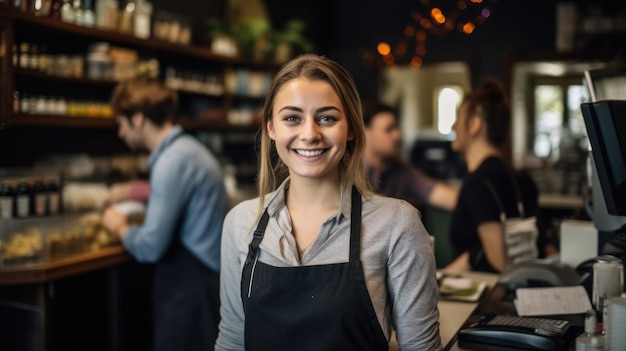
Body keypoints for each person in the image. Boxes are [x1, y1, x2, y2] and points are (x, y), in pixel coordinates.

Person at [215, 54, 441, 350]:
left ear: (350, 129)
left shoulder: (397, 224)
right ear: (271, 127)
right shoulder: (241, 222)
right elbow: (232, 340)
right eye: (292, 118)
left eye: (327, 118)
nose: (310, 134)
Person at [101, 77, 230, 351]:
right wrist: (132, 189)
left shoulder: (172, 160)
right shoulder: (186, 149)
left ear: (137, 119)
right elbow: (175, 192)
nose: (120, 133)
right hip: (203, 279)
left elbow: (149, 247)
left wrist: (119, 225)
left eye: (121, 123)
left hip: (191, 288)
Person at [444, 78, 549, 273]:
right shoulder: (522, 179)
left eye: (458, 118)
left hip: (488, 296)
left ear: (475, 124)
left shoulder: (477, 182)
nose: (453, 126)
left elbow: (498, 260)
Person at [363, 100, 458, 212]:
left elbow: (439, 194)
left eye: (396, 128)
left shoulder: (401, 171)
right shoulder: (348, 173)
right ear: (365, 133)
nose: (398, 135)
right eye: (389, 129)